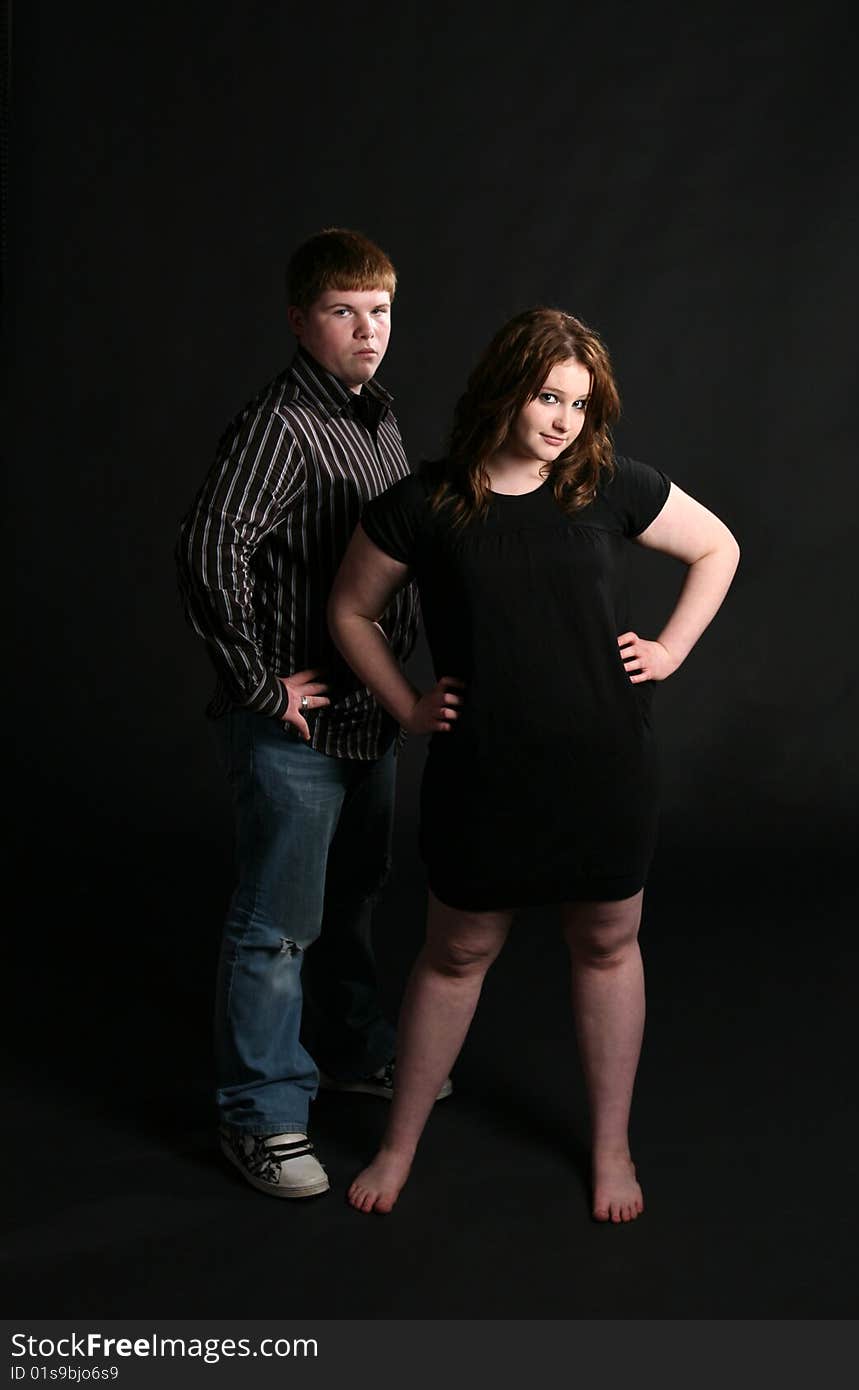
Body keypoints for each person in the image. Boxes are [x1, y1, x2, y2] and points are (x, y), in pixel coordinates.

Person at [327, 306, 740, 1222]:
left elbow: (719, 547)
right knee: (457, 951)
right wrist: (406, 705)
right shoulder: (424, 503)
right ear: (506, 390)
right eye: (548, 397)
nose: (564, 420)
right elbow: (350, 611)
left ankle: (610, 1148)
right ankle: (397, 1148)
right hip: (485, 773)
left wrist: (668, 650)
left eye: (581, 405)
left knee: (606, 945)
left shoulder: (608, 487)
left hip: (604, 770)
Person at [175, 228, 448, 1202]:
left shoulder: (375, 416)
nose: (367, 331)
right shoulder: (282, 423)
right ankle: (258, 1111)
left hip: (367, 717)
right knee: (277, 922)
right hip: (296, 727)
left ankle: (344, 1048)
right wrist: (261, 683)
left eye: (379, 311)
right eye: (344, 312)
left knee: (352, 898)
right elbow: (210, 550)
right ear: (301, 321)